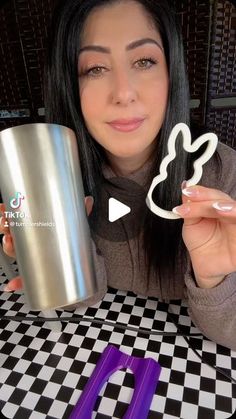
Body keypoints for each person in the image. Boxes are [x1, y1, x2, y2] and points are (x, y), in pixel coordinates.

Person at [1, 0, 236, 350]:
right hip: (94, 348)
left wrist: (213, 278)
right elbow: (82, 301)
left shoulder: (221, 174)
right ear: (69, 83)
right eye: (95, 68)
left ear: (172, 74)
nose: (124, 93)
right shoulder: (52, 184)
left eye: (144, 61)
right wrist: (57, 265)